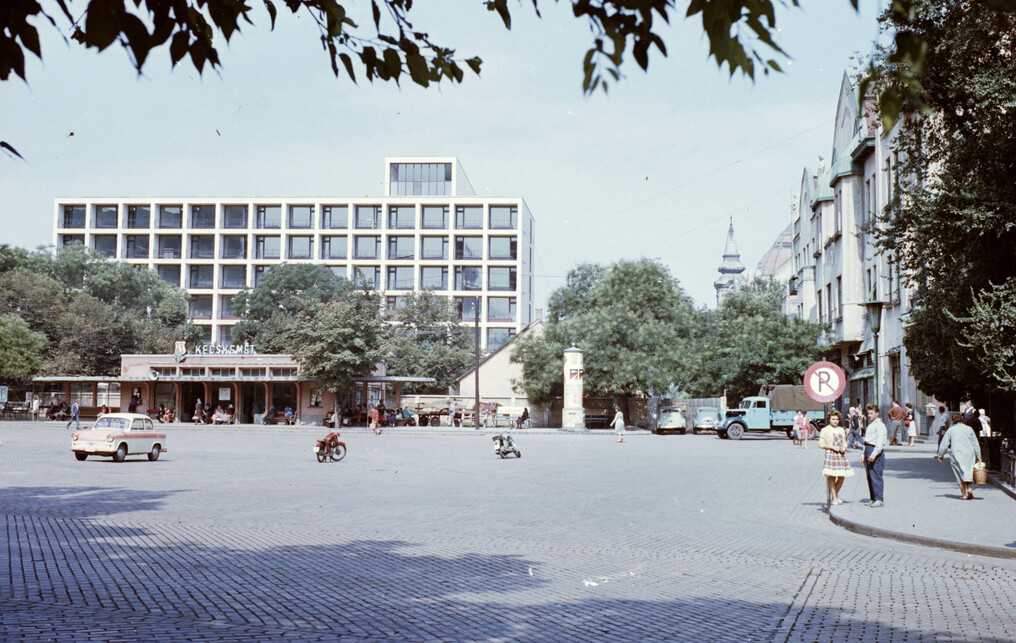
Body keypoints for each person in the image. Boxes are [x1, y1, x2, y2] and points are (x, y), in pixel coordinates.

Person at [937, 417, 983, 500]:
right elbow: (975, 443)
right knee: (968, 471)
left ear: (953, 421)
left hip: (956, 453)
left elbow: (944, 444)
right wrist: (979, 456)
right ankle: (969, 488)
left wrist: (940, 455)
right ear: (963, 420)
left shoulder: (951, 430)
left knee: (958, 473)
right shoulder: (969, 429)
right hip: (969, 453)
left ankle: (964, 495)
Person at [819, 410, 854, 505]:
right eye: (833, 419)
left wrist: (844, 447)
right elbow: (821, 444)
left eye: (837, 419)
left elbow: (844, 442)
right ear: (829, 420)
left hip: (840, 455)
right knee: (832, 477)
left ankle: (835, 495)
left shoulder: (841, 430)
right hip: (831, 454)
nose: (835, 421)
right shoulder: (825, 430)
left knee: (842, 476)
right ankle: (834, 498)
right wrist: (832, 447)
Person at [861, 404, 887, 508]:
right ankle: (873, 498)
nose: (869, 415)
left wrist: (874, 454)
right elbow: (866, 440)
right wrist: (863, 455)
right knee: (870, 476)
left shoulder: (880, 425)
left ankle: (879, 499)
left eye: (872, 413)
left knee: (876, 475)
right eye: (868, 413)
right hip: (868, 449)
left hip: (875, 451)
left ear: (877, 413)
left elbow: (880, 442)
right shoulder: (871, 425)